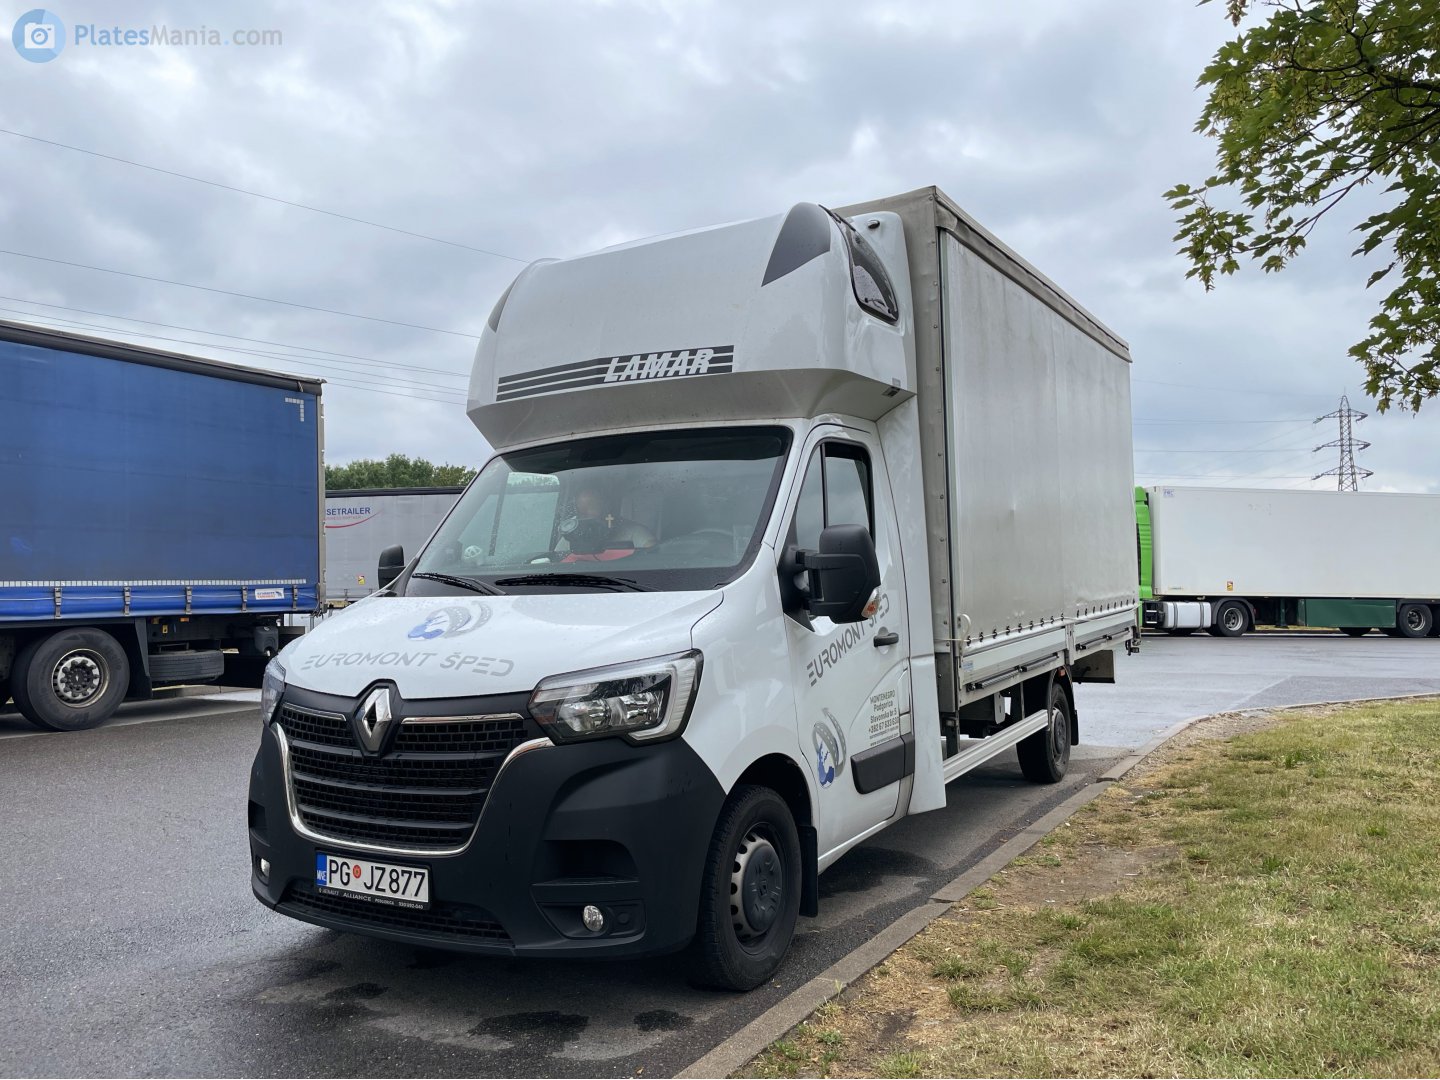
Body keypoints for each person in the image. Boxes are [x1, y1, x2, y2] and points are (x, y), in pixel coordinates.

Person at [562, 486, 655, 553]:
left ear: (606, 506)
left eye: (592, 507)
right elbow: (555, 559)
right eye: (582, 512)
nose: (586, 516)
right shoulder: (573, 537)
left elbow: (654, 554)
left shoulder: (634, 532)